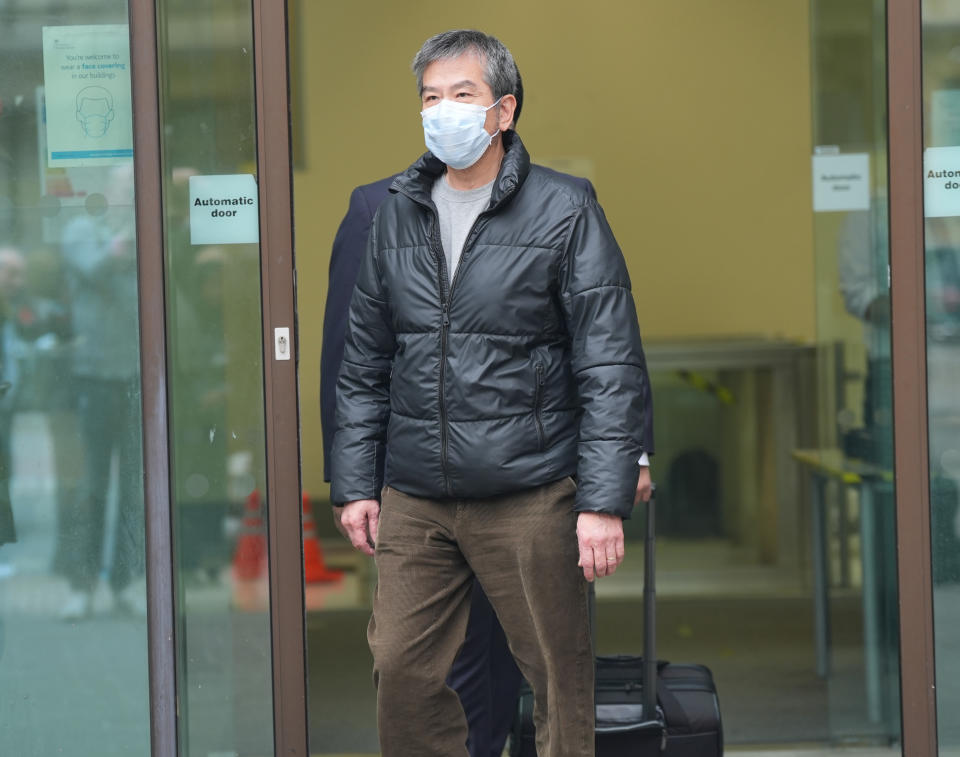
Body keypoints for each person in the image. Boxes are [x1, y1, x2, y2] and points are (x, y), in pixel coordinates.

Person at [330, 30, 650, 757]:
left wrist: (601, 501)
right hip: (417, 492)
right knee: (401, 666)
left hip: (528, 489)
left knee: (557, 674)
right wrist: (355, 484)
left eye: (462, 95)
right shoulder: (396, 211)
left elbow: (608, 360)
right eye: (431, 98)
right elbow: (365, 360)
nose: (444, 111)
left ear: (503, 111)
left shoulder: (565, 208)